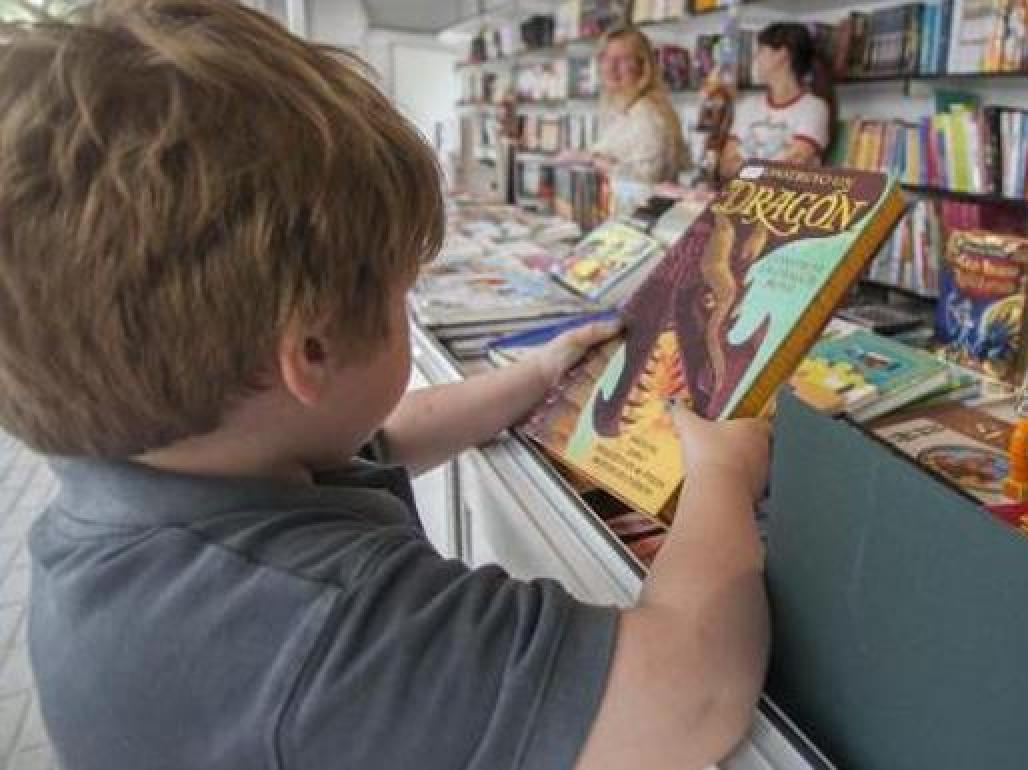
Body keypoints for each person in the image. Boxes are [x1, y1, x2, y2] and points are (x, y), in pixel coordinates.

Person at [0, 3, 770, 770]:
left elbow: (391, 433)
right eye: (403, 293)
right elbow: (689, 696)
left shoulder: (151, 473)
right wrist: (722, 477)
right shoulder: (317, 627)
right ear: (310, 351)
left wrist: (537, 373)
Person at [562, 25, 690, 187]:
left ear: (643, 67)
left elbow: (645, 182)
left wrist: (592, 160)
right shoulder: (624, 108)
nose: (611, 68)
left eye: (622, 60)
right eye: (606, 58)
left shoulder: (647, 114)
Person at [719, 22, 832, 180]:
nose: (755, 58)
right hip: (741, 198)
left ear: (782, 55)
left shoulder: (813, 108)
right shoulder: (747, 107)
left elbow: (789, 171)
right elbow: (725, 166)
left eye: (761, 51)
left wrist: (743, 166)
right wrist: (768, 168)